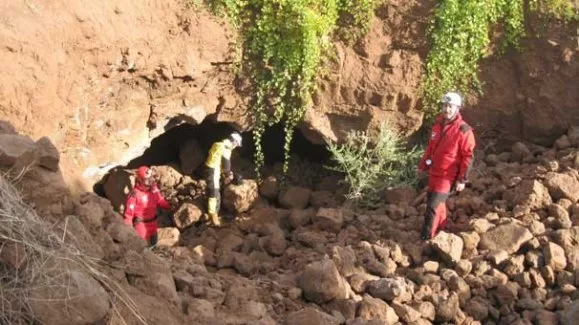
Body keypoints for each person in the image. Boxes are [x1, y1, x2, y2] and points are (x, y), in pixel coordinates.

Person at [417, 92, 476, 240]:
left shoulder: (464, 130)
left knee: (432, 206)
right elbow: (431, 148)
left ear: (457, 108)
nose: (446, 109)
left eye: (450, 106)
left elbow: (468, 156)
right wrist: (423, 166)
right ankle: (442, 228)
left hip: (447, 176)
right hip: (434, 173)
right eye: (444, 105)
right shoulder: (437, 126)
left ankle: (426, 238)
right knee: (435, 201)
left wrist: (462, 180)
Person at [123, 166, 171, 246]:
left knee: (153, 243)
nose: (150, 181)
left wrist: (169, 205)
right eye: (147, 180)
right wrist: (128, 229)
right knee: (142, 246)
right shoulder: (134, 194)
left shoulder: (153, 189)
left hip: (153, 222)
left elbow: (159, 200)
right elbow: (128, 214)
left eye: (151, 178)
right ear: (140, 180)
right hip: (141, 224)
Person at [204, 132, 242, 226]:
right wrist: (230, 175)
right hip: (213, 172)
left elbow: (214, 158)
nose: (236, 147)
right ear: (234, 142)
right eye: (236, 144)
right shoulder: (226, 149)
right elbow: (226, 166)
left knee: (213, 191)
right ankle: (213, 217)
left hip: (209, 169)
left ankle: (212, 214)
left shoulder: (218, 144)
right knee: (214, 193)